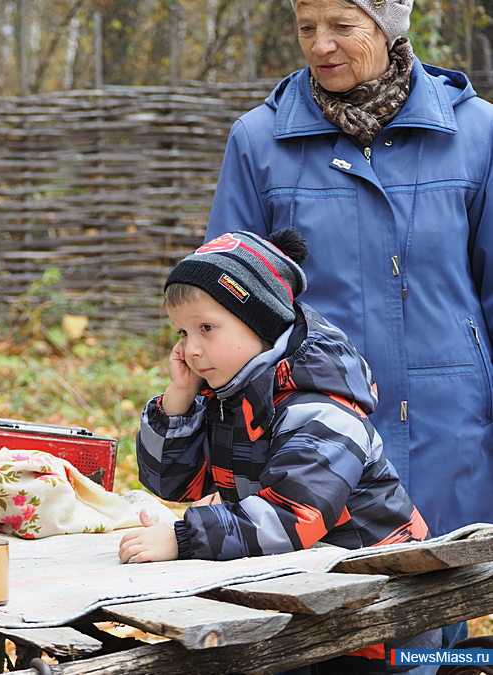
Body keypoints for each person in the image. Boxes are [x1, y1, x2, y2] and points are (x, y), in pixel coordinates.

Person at [205, 0, 493, 548]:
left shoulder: (476, 133)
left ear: (388, 28)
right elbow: (223, 306)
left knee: (439, 608)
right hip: (313, 431)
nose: (320, 45)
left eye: (342, 26)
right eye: (306, 28)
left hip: (449, 421)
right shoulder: (259, 140)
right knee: (330, 612)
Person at [119, 229, 439, 673]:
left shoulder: (320, 412)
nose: (190, 349)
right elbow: (172, 482)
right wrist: (179, 395)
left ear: (262, 323)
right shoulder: (231, 398)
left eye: (207, 328)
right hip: (311, 600)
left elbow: (292, 516)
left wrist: (183, 537)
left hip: (383, 616)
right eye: (182, 332)